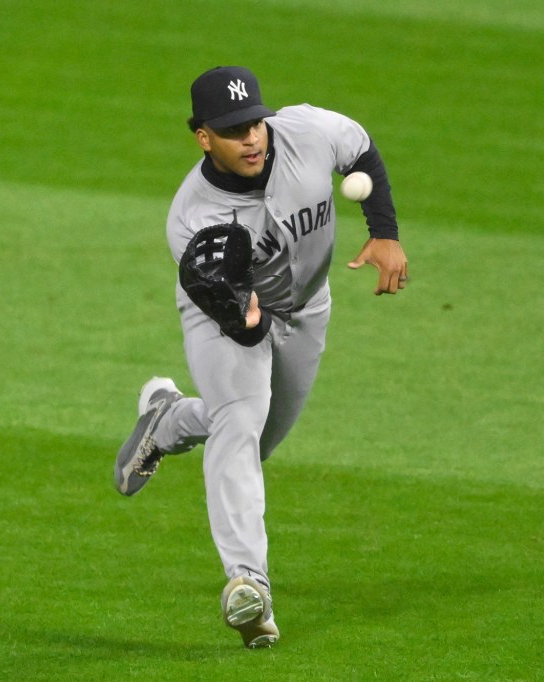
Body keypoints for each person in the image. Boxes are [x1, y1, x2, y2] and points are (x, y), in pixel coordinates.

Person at [112, 65, 408, 648]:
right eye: (233, 130)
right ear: (203, 136)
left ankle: (168, 419)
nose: (250, 137)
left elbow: (363, 150)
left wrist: (385, 230)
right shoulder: (193, 219)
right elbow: (240, 327)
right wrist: (248, 320)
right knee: (240, 424)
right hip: (225, 316)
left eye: (254, 122)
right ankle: (249, 585)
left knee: (259, 438)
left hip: (307, 307)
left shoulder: (308, 130)